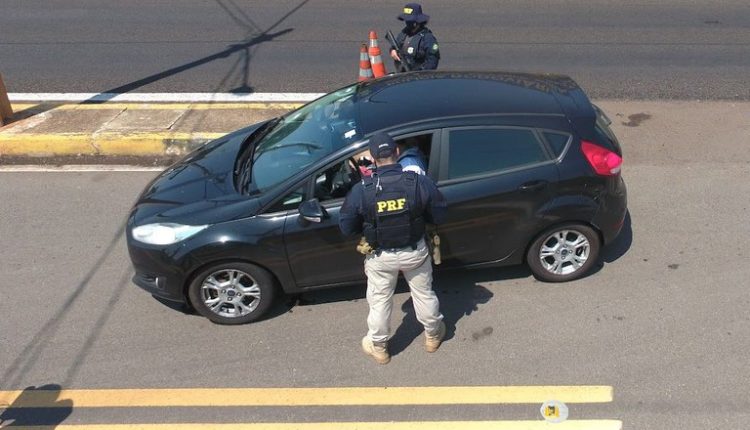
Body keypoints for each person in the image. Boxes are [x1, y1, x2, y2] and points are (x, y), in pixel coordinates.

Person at [339, 132, 447, 364]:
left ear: (372, 158)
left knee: (379, 301)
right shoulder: (417, 182)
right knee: (424, 294)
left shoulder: (362, 189)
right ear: (397, 152)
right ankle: (433, 336)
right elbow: (439, 213)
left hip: (380, 256)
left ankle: (379, 347)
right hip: (415, 251)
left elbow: (346, 227)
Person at [390, 3, 440, 72]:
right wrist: (393, 51)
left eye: (410, 21)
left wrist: (421, 72)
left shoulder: (428, 38)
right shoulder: (404, 33)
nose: (407, 23)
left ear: (417, 21)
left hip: (418, 76)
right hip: (401, 74)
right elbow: (395, 46)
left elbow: (432, 61)